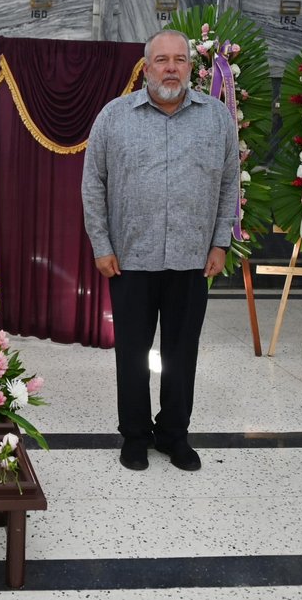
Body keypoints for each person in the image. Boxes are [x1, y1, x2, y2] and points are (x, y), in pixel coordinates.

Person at [81, 29, 239, 472]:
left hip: (193, 257)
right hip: (130, 258)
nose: (171, 67)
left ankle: (174, 434)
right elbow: (93, 184)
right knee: (132, 353)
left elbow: (230, 183)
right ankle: (134, 435)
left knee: (181, 352)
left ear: (191, 66)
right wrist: (102, 244)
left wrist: (221, 242)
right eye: (162, 60)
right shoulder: (114, 117)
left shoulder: (216, 118)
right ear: (146, 67)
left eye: (180, 60)